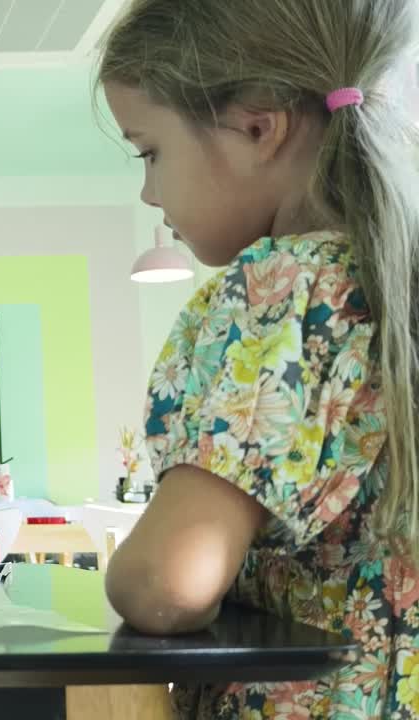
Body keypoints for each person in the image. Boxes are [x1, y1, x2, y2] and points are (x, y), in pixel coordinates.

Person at [96, 0, 419, 716]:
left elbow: (167, 586)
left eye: (150, 152)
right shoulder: (391, 282)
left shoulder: (285, 292)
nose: (149, 192)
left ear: (258, 128)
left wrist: (123, 571)